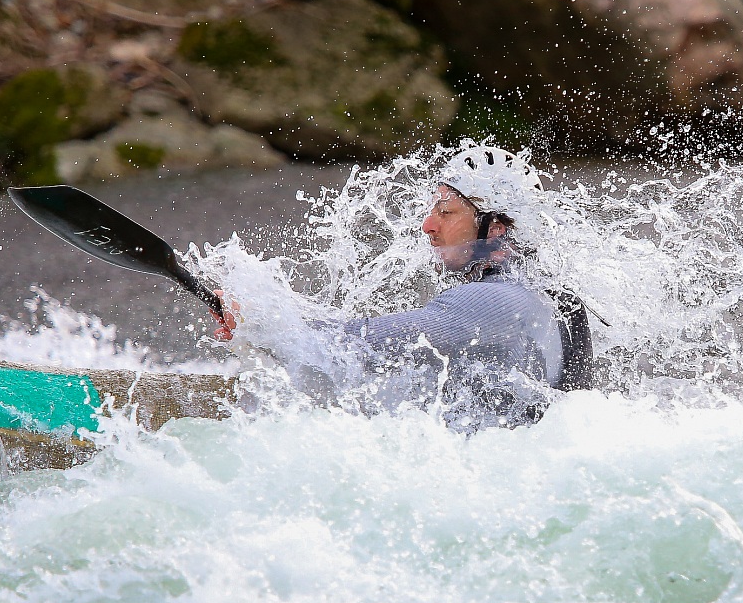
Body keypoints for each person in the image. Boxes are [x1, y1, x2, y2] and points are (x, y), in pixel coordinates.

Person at [214, 146, 594, 424]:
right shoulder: (545, 296)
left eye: (446, 212)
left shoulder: (494, 301)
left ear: (495, 229)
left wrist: (261, 320)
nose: (428, 226)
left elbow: (359, 345)